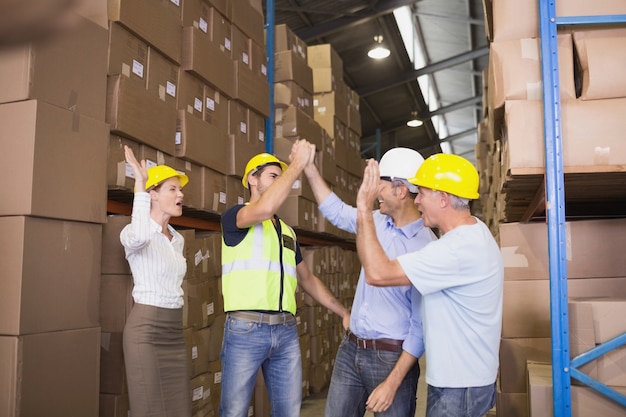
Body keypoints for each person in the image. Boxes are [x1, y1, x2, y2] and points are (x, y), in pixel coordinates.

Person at [355, 153, 503, 417]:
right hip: (465, 380)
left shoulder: (456, 249)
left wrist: (364, 211)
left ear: (443, 198)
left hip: (459, 387)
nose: (417, 200)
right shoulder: (473, 232)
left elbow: (377, 274)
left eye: (422, 193)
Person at [219, 139, 351, 417]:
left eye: (282, 176)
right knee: (234, 411)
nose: (282, 181)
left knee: (289, 411)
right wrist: (296, 165)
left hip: (286, 332)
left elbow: (308, 280)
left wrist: (342, 312)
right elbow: (264, 209)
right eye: (273, 176)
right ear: (252, 180)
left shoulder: (287, 234)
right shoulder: (235, 217)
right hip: (246, 329)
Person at [303, 147, 437, 416]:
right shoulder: (374, 220)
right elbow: (336, 212)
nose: (375, 193)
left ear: (401, 191)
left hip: (391, 358)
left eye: (380, 185)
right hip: (351, 349)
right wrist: (309, 168)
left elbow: (420, 328)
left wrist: (392, 383)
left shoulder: (428, 248)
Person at [119, 145, 191, 417]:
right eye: (172, 189)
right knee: (150, 410)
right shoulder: (133, 234)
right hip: (146, 332)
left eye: (179, 189)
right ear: (153, 195)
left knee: (179, 409)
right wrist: (139, 182)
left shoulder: (178, 239)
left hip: (173, 331)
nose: (180, 194)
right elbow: (139, 235)